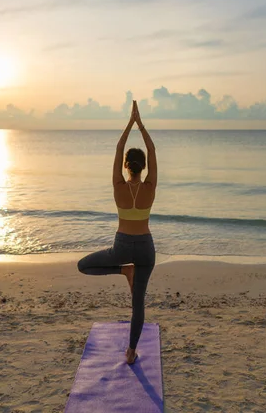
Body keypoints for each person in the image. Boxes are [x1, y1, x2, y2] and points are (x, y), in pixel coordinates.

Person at [77, 100, 157, 365]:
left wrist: (129, 123)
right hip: (145, 247)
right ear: (144, 167)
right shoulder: (150, 186)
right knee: (138, 304)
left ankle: (124, 270)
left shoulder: (117, 184)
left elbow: (119, 147)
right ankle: (132, 352)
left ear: (125, 165)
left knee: (84, 266)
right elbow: (152, 148)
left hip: (122, 247)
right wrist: (141, 124)